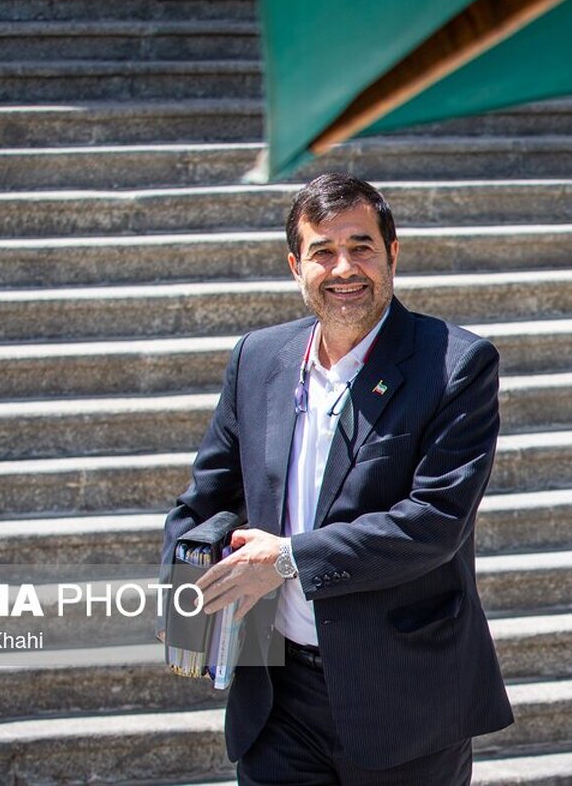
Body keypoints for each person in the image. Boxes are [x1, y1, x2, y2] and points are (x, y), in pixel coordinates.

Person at [160, 172, 513, 784]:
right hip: (277, 700)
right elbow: (206, 498)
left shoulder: (456, 365)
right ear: (295, 265)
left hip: (402, 700)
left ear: (392, 254)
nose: (344, 268)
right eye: (323, 251)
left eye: (361, 247)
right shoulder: (258, 359)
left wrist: (287, 560)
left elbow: (434, 523)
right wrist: (189, 599)